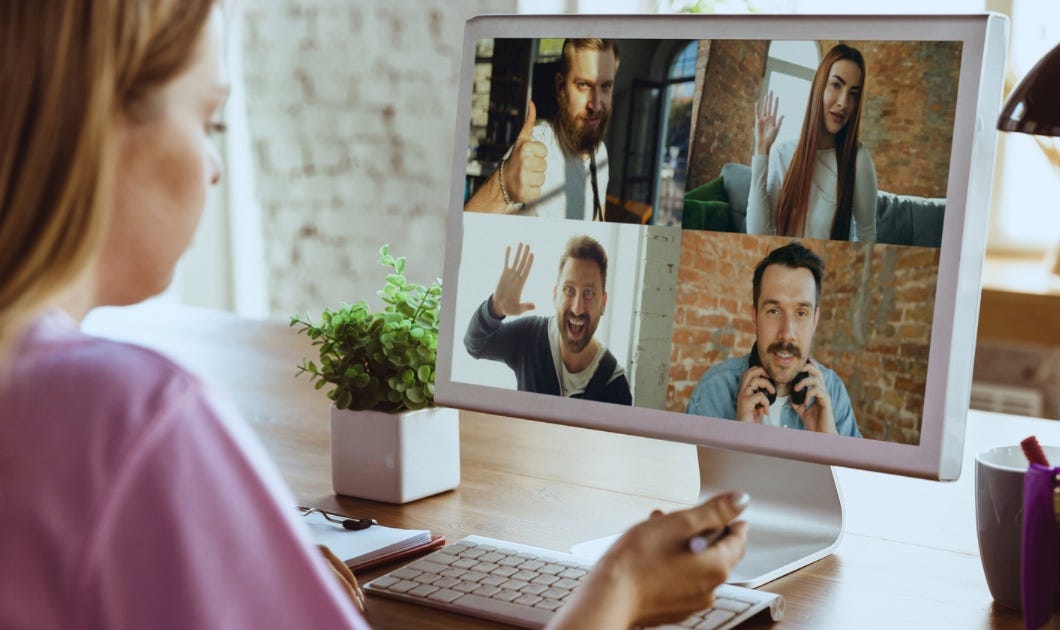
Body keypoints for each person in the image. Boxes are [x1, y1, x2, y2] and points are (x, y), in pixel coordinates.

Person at [0, 3, 746, 628]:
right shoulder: (128, 419)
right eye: (207, 121)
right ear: (91, 122)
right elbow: (483, 330)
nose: (214, 165)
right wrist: (615, 593)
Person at [686, 243, 862, 437]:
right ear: (755, 316)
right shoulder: (712, 391)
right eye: (773, 311)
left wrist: (830, 440)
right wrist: (739, 437)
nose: (786, 333)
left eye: (801, 313)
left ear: (815, 320)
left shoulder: (834, 393)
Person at [464, 237, 632, 405]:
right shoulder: (530, 336)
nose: (577, 308)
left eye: (588, 293)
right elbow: (475, 345)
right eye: (569, 290)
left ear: (603, 303)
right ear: (555, 295)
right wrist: (495, 308)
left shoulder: (616, 388)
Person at [465, 39, 619, 221]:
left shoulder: (600, 154)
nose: (595, 105)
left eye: (605, 86)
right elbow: (463, 234)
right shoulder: (535, 147)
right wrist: (504, 186)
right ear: (560, 86)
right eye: (583, 85)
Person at [747, 44, 878, 242]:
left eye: (853, 93)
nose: (844, 102)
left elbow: (866, 235)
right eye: (836, 85)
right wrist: (761, 151)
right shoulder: (782, 154)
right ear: (819, 87)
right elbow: (757, 236)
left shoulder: (858, 159)